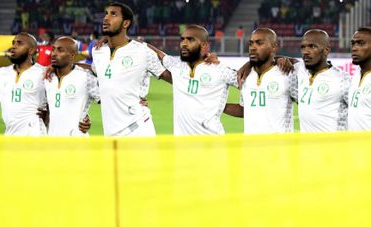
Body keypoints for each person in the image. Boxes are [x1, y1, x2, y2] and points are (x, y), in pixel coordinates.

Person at [90, 2, 168, 136]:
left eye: (113, 14)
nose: (106, 18)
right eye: (106, 14)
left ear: (126, 23)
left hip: (138, 130)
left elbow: (175, 78)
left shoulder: (142, 51)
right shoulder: (98, 51)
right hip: (110, 133)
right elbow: (94, 71)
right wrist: (57, 67)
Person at [144, 25, 239, 135]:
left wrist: (221, 106)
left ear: (204, 45)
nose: (184, 44)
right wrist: (140, 44)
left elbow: (247, 81)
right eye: (182, 39)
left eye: (190, 40)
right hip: (182, 147)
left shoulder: (220, 70)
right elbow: (160, 55)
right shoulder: (177, 66)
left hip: (212, 145)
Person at [223, 28, 296, 134]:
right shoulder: (245, 76)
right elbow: (245, 109)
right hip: (251, 147)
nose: (253, 48)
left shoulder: (287, 74)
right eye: (251, 43)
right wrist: (220, 106)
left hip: (280, 148)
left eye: (259, 43)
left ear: (274, 47)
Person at [0, 33, 47, 136]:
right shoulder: (1, 73)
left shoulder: (44, 74)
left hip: (36, 136)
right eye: (13, 43)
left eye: (19, 43)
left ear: (31, 50)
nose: (13, 46)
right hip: (10, 136)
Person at [295, 29, 350, 132]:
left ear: (326, 50)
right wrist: (280, 60)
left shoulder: (342, 79)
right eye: (303, 47)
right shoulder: (300, 71)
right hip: (306, 147)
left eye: (312, 46)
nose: (305, 52)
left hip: (333, 146)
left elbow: (362, 111)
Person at [44, 36, 98, 136]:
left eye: (60, 50)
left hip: (77, 143)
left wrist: (85, 117)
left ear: (73, 56)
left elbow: (108, 102)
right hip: (52, 142)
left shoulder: (86, 77)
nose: (54, 54)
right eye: (53, 49)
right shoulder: (47, 77)